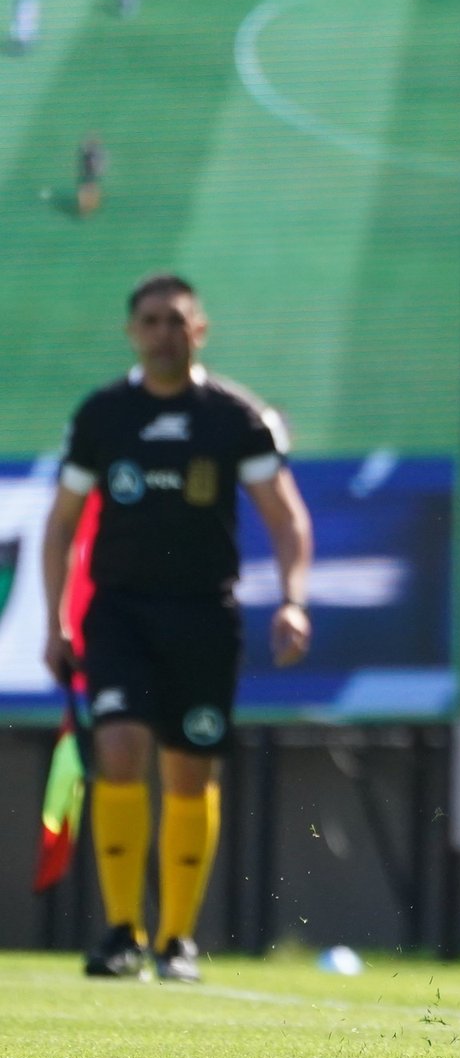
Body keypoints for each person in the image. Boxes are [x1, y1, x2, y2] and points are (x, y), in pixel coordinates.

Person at [40, 273, 314, 983]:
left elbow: (286, 518)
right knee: (121, 748)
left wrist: (293, 598)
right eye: (152, 321)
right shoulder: (103, 415)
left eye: (177, 321)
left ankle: (175, 940)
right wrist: (54, 621)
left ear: (200, 331)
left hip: (202, 615)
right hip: (120, 614)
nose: (164, 332)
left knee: (189, 771)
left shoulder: (233, 418)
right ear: (133, 331)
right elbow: (62, 527)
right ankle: (120, 931)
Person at [77, 135, 105, 219]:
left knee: (89, 189)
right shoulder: (88, 152)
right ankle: (86, 207)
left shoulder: (97, 153)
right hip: (88, 173)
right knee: (87, 189)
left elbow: (100, 164)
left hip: (92, 174)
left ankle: (88, 207)